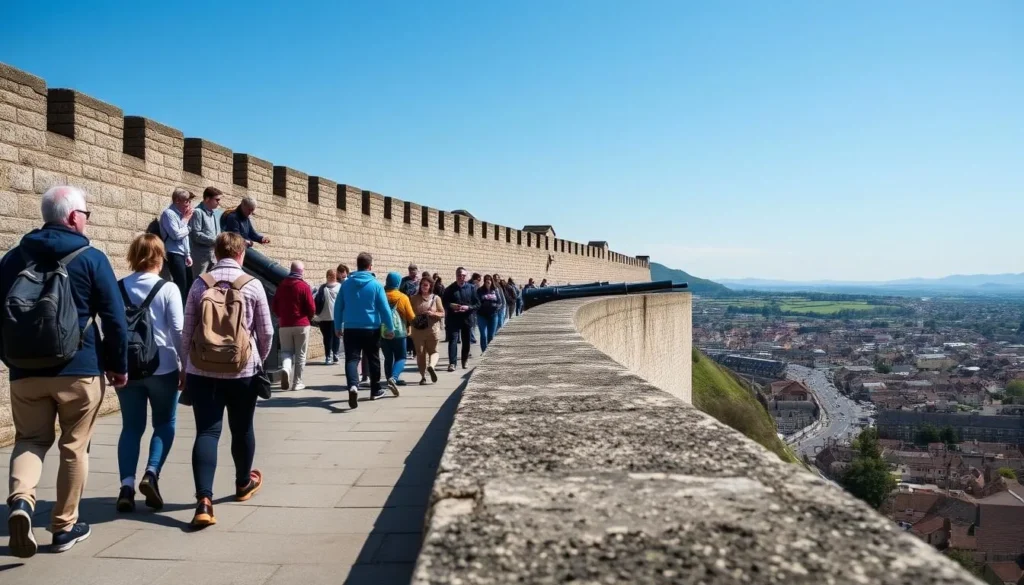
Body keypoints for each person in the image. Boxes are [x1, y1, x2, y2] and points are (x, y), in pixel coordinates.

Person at [0, 185, 128, 556]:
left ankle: (21, 501)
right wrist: (118, 367)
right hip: (80, 369)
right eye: (87, 213)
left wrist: (11, 361)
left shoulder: (12, 259)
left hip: (25, 372)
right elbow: (115, 320)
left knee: (30, 440)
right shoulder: (91, 257)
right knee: (74, 447)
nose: (87, 219)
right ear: (74, 217)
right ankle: (63, 526)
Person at [181, 232, 273, 528]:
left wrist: (187, 365)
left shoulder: (199, 283)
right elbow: (267, 331)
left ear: (217, 252)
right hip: (242, 370)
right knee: (242, 427)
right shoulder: (253, 285)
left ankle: (204, 502)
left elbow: (187, 330)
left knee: (207, 433)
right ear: (241, 254)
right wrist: (256, 356)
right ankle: (243, 483)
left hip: (202, 370)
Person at [115, 234, 183, 514]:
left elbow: (112, 328)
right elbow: (178, 330)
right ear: (160, 256)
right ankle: (151, 473)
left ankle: (126, 486)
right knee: (165, 422)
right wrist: (185, 365)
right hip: (163, 366)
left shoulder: (118, 287)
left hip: (128, 368)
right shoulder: (168, 289)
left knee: (131, 427)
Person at [334, 253, 396, 408]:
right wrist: (390, 327)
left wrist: (337, 326)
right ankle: (375, 390)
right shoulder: (376, 285)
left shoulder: (346, 284)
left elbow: (338, 306)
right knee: (373, 358)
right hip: (371, 328)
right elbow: (384, 309)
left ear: (357, 265)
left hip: (351, 328)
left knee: (352, 359)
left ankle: (353, 386)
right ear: (370, 266)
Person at [272, 261, 315, 391]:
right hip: (301, 323)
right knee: (300, 354)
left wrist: (281, 316)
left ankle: (286, 368)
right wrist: (309, 317)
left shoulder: (282, 285)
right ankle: (297, 383)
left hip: (284, 324)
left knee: (286, 351)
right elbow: (311, 307)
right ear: (301, 272)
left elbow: (274, 306)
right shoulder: (304, 286)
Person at [160, 188, 195, 303]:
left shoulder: (182, 215)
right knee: (181, 285)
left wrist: (188, 254)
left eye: (189, 201)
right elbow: (176, 235)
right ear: (177, 201)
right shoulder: (169, 214)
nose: (188, 204)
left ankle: (186, 312)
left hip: (183, 254)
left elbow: (184, 237)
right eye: (186, 201)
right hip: (174, 253)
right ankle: (179, 313)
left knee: (189, 284)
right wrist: (186, 221)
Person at [382, 272, 416, 392]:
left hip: (384, 332)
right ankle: (394, 378)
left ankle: (388, 379)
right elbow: (411, 316)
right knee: (401, 357)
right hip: (400, 333)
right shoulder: (403, 297)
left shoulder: (382, 295)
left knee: (388, 358)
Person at [410, 277, 445, 384]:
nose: (423, 287)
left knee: (433, 350)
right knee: (420, 353)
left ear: (430, 286)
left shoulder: (436, 298)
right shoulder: (414, 298)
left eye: (426, 285)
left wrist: (433, 313)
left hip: (432, 329)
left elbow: (443, 313)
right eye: (422, 284)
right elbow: (410, 313)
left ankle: (431, 366)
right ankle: (423, 376)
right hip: (418, 330)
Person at [443, 267, 479, 371]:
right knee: (453, 340)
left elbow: (477, 303)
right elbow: (444, 302)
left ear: (466, 276)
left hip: (466, 318)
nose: (461, 277)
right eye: (459, 275)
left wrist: (468, 307)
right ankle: (452, 363)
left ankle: (464, 360)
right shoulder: (450, 289)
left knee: (466, 341)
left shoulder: (471, 288)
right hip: (453, 319)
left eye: (463, 275)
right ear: (456, 276)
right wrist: (451, 305)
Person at [189, 187, 221, 278]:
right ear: (207, 199)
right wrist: (215, 240)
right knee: (199, 281)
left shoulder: (214, 213)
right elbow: (196, 235)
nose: (219, 202)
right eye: (217, 200)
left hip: (213, 255)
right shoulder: (198, 212)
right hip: (201, 256)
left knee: (213, 282)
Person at [314, 269, 342, 365]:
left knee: (336, 336)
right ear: (327, 277)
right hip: (324, 317)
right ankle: (328, 356)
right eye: (330, 276)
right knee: (327, 337)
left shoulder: (339, 287)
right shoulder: (322, 288)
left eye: (333, 276)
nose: (331, 277)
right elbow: (317, 300)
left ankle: (335, 354)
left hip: (336, 316)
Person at [476, 275, 502, 352]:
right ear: (484, 281)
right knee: (483, 335)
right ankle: (484, 352)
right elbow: (477, 302)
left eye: (490, 279)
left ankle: (489, 352)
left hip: (493, 315)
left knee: (491, 335)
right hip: (482, 315)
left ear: (492, 281)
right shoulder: (480, 290)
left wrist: (496, 307)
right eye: (486, 280)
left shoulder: (496, 290)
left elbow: (500, 302)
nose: (488, 281)